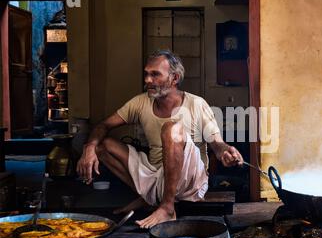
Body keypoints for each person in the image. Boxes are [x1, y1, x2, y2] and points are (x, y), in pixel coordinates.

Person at [76, 49, 243, 228]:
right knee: (102, 146)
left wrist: (225, 151)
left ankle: (167, 207)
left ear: (175, 78)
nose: (148, 80)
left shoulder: (196, 104)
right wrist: (89, 148)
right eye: (147, 74)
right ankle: (150, 198)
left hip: (190, 182)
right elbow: (104, 125)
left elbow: (217, 144)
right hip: (156, 177)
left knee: (171, 128)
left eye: (155, 74)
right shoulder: (140, 103)